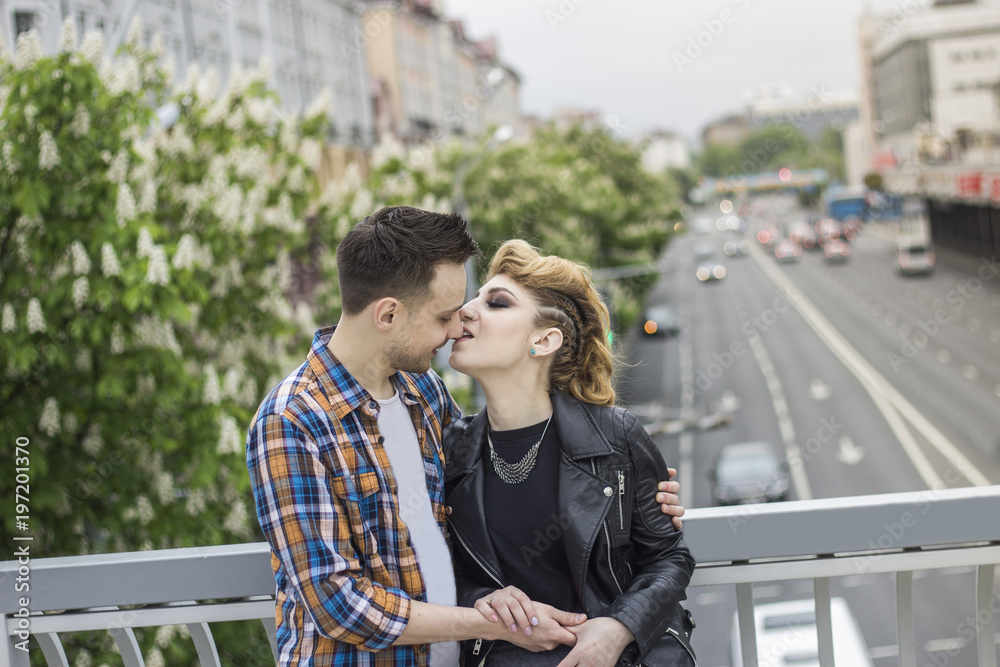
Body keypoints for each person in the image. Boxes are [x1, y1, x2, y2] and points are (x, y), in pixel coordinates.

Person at [246, 207, 686, 666]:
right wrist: (489, 621)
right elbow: (338, 605)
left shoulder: (425, 395)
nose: (458, 326)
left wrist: (638, 494)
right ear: (388, 314)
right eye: (444, 317)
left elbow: (456, 536)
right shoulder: (291, 420)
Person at [445, 239, 696, 667]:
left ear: (543, 341)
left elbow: (670, 556)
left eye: (497, 303)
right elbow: (448, 569)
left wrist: (618, 628)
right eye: (475, 298)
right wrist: (485, 601)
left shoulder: (616, 437)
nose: (465, 310)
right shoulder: (453, 450)